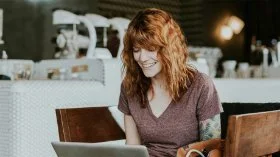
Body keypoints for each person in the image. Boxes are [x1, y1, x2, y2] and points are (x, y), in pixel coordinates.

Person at [118, 8, 223, 157]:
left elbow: (213, 149)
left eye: (151, 49)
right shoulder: (129, 87)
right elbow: (132, 150)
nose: (142, 58)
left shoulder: (200, 85)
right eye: (136, 49)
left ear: (168, 48)